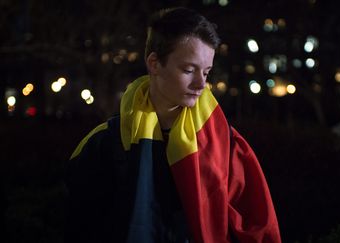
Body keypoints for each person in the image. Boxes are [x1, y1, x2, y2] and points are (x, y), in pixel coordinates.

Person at [65, 7, 281, 243]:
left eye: (206, 72)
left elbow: (258, 228)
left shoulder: (227, 143)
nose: (201, 84)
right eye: (189, 70)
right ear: (154, 63)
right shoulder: (102, 144)